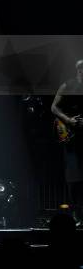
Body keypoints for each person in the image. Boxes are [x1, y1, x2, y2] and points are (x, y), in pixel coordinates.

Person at [51, 59, 83, 220]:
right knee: (73, 177)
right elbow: (54, 107)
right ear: (79, 70)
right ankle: (76, 214)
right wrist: (68, 121)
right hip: (71, 138)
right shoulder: (68, 86)